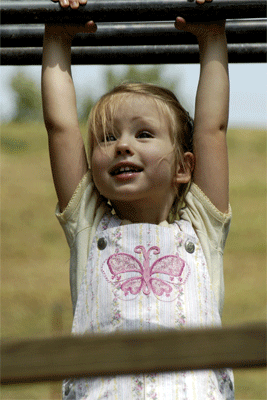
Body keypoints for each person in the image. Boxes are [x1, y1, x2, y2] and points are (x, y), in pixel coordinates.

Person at [42, 0, 235, 398]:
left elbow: (212, 129)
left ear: (184, 167)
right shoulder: (89, 223)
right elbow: (61, 127)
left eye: (143, 134)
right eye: (108, 138)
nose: (122, 146)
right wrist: (57, 39)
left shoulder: (201, 225)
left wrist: (213, 38)